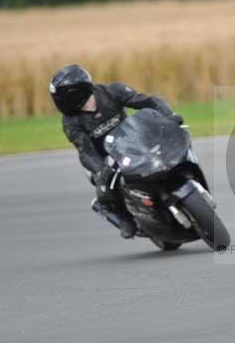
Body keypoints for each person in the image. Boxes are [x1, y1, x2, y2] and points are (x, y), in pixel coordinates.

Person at [49, 64, 183, 238]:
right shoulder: (70, 122)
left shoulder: (111, 91)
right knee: (105, 186)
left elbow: (148, 102)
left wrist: (168, 115)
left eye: (61, 98)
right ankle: (122, 218)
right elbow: (84, 150)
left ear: (78, 92)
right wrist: (99, 169)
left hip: (131, 140)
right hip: (103, 156)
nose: (59, 103)